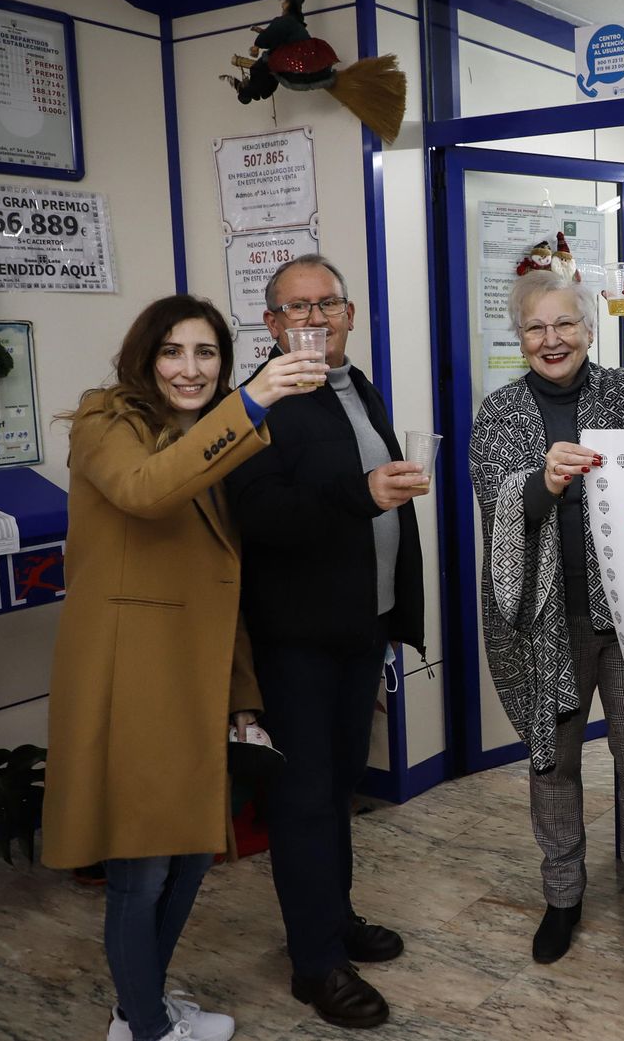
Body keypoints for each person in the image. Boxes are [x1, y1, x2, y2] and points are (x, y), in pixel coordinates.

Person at [42, 295, 324, 1041]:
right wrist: (256, 396)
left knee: (192, 854)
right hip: (130, 684)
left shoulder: (204, 434)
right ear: (144, 357)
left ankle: (141, 1003)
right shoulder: (106, 422)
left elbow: (219, 578)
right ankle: (143, 1027)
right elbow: (146, 490)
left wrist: (242, 698)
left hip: (192, 688)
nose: (191, 368)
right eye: (173, 351)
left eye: (207, 354)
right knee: (141, 871)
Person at [470, 268, 624, 990]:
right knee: (552, 765)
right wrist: (543, 480)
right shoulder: (499, 411)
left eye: (565, 324)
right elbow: (501, 506)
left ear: (589, 329)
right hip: (542, 626)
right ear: (520, 337)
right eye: (536, 327)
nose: (551, 339)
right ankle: (562, 898)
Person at [224, 254, 428, 1030]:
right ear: (272, 325)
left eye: (327, 304)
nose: (314, 318)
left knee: (339, 786)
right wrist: (362, 493)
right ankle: (315, 964)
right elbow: (260, 514)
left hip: (357, 629)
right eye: (295, 308)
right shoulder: (256, 403)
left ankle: (333, 920)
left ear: (348, 314)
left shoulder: (354, 383)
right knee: (304, 800)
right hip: (294, 640)